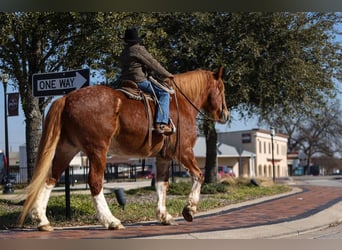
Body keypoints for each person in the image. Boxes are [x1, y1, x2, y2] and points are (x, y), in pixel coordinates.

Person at [119, 27, 174, 135]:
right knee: (164, 93)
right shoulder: (138, 49)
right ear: (137, 40)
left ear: (126, 40)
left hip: (124, 81)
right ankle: (161, 124)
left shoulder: (124, 52)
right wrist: (167, 74)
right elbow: (153, 63)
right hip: (139, 80)